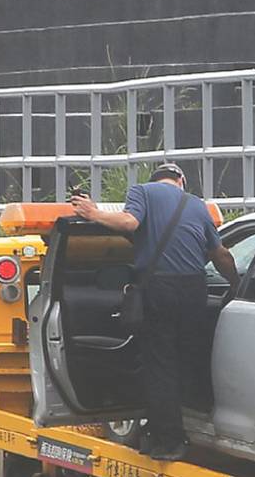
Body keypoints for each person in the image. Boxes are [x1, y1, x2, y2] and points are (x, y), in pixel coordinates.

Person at [70, 162, 239, 460]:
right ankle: (182, 427)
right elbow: (221, 254)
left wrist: (92, 213)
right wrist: (237, 285)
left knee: (160, 365)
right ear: (181, 181)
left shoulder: (142, 192)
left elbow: (130, 224)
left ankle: (170, 441)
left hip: (160, 289)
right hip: (195, 290)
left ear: (155, 180)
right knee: (185, 360)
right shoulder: (198, 206)